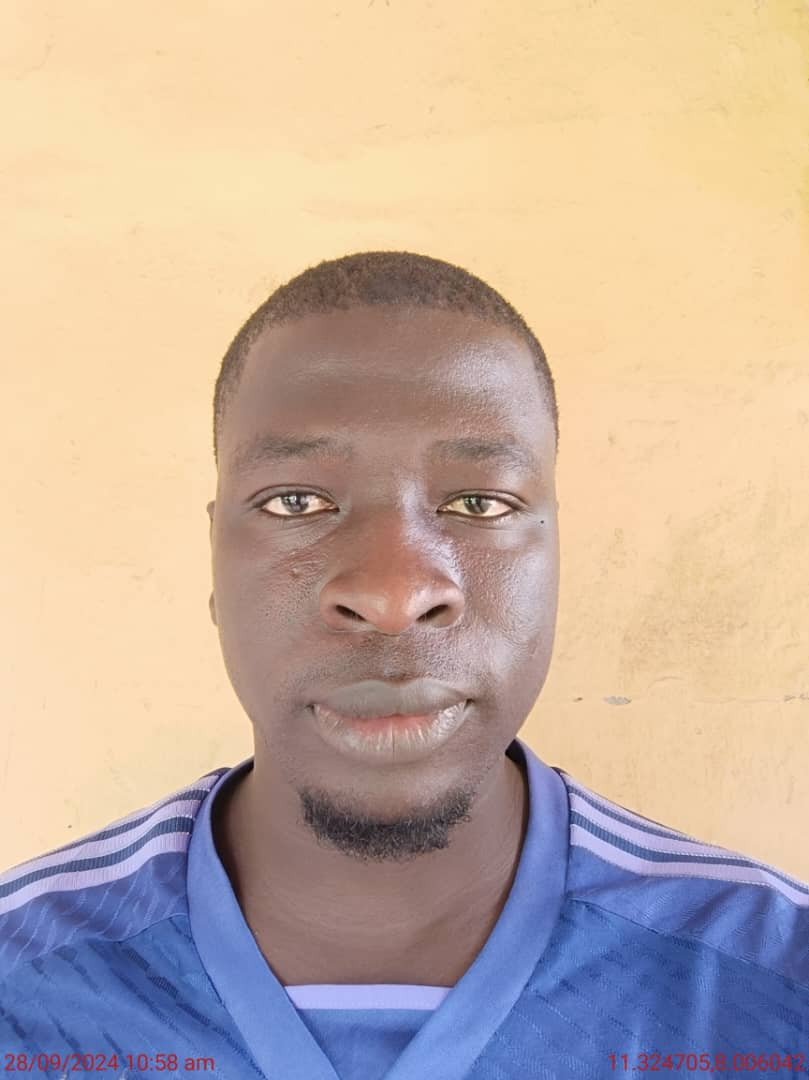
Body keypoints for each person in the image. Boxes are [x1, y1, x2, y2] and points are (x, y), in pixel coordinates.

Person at [1, 251, 807, 1079]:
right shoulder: (21, 987)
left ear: (555, 557)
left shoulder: (778, 984)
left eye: (479, 502)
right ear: (213, 559)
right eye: (295, 501)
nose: (394, 594)